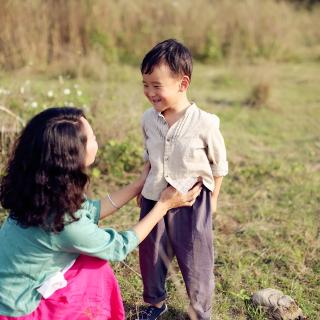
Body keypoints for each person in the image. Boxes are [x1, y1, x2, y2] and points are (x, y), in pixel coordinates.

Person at [0, 107, 202, 320]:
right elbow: (118, 246)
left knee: (88, 262)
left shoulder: (39, 189)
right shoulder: (64, 221)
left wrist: (138, 185)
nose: (97, 142)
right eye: (92, 138)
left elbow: (90, 210)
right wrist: (164, 205)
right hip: (18, 311)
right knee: (96, 266)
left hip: (11, 292)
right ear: (72, 153)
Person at [137, 39, 228, 320]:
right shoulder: (148, 120)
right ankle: (155, 304)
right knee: (150, 256)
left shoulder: (205, 122)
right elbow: (149, 157)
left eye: (156, 85)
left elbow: (219, 165)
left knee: (196, 261)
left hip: (192, 203)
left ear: (182, 83)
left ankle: (200, 312)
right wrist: (142, 188)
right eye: (145, 84)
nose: (150, 92)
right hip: (154, 198)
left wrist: (211, 202)